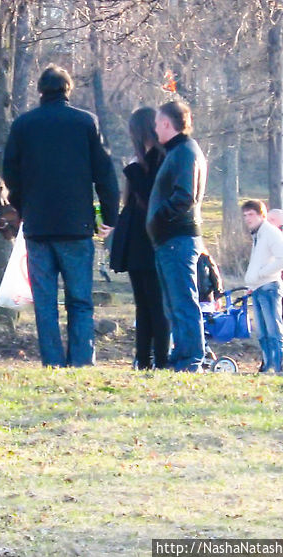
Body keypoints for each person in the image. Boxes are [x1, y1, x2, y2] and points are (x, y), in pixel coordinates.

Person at [3, 64, 119, 368]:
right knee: (80, 301)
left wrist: (22, 207)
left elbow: (10, 174)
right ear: (68, 90)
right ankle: (81, 361)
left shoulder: (23, 125)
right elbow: (104, 174)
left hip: (38, 227)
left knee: (45, 303)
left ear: (40, 91)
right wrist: (109, 214)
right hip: (76, 226)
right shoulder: (86, 123)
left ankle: (53, 362)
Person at [145, 100, 208, 372]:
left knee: (183, 302)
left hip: (177, 239)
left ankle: (191, 359)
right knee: (174, 303)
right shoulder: (178, 152)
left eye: (158, 123)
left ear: (167, 124)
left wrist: (159, 218)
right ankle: (182, 356)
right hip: (169, 240)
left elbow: (185, 196)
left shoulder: (184, 152)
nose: (155, 128)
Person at [109, 108, 170, 369]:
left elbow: (150, 197)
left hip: (149, 239)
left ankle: (160, 357)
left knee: (155, 303)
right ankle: (143, 357)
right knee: (143, 304)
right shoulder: (144, 159)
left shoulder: (159, 158)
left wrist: (133, 170)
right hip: (136, 239)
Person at [242, 199, 283, 372]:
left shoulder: (271, 233)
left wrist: (261, 274)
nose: (247, 218)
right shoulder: (258, 235)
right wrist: (251, 281)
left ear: (262, 215)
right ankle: (267, 366)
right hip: (258, 288)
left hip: (269, 286)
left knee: (273, 331)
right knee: (262, 334)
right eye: (245, 215)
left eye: (251, 214)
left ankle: (279, 365)